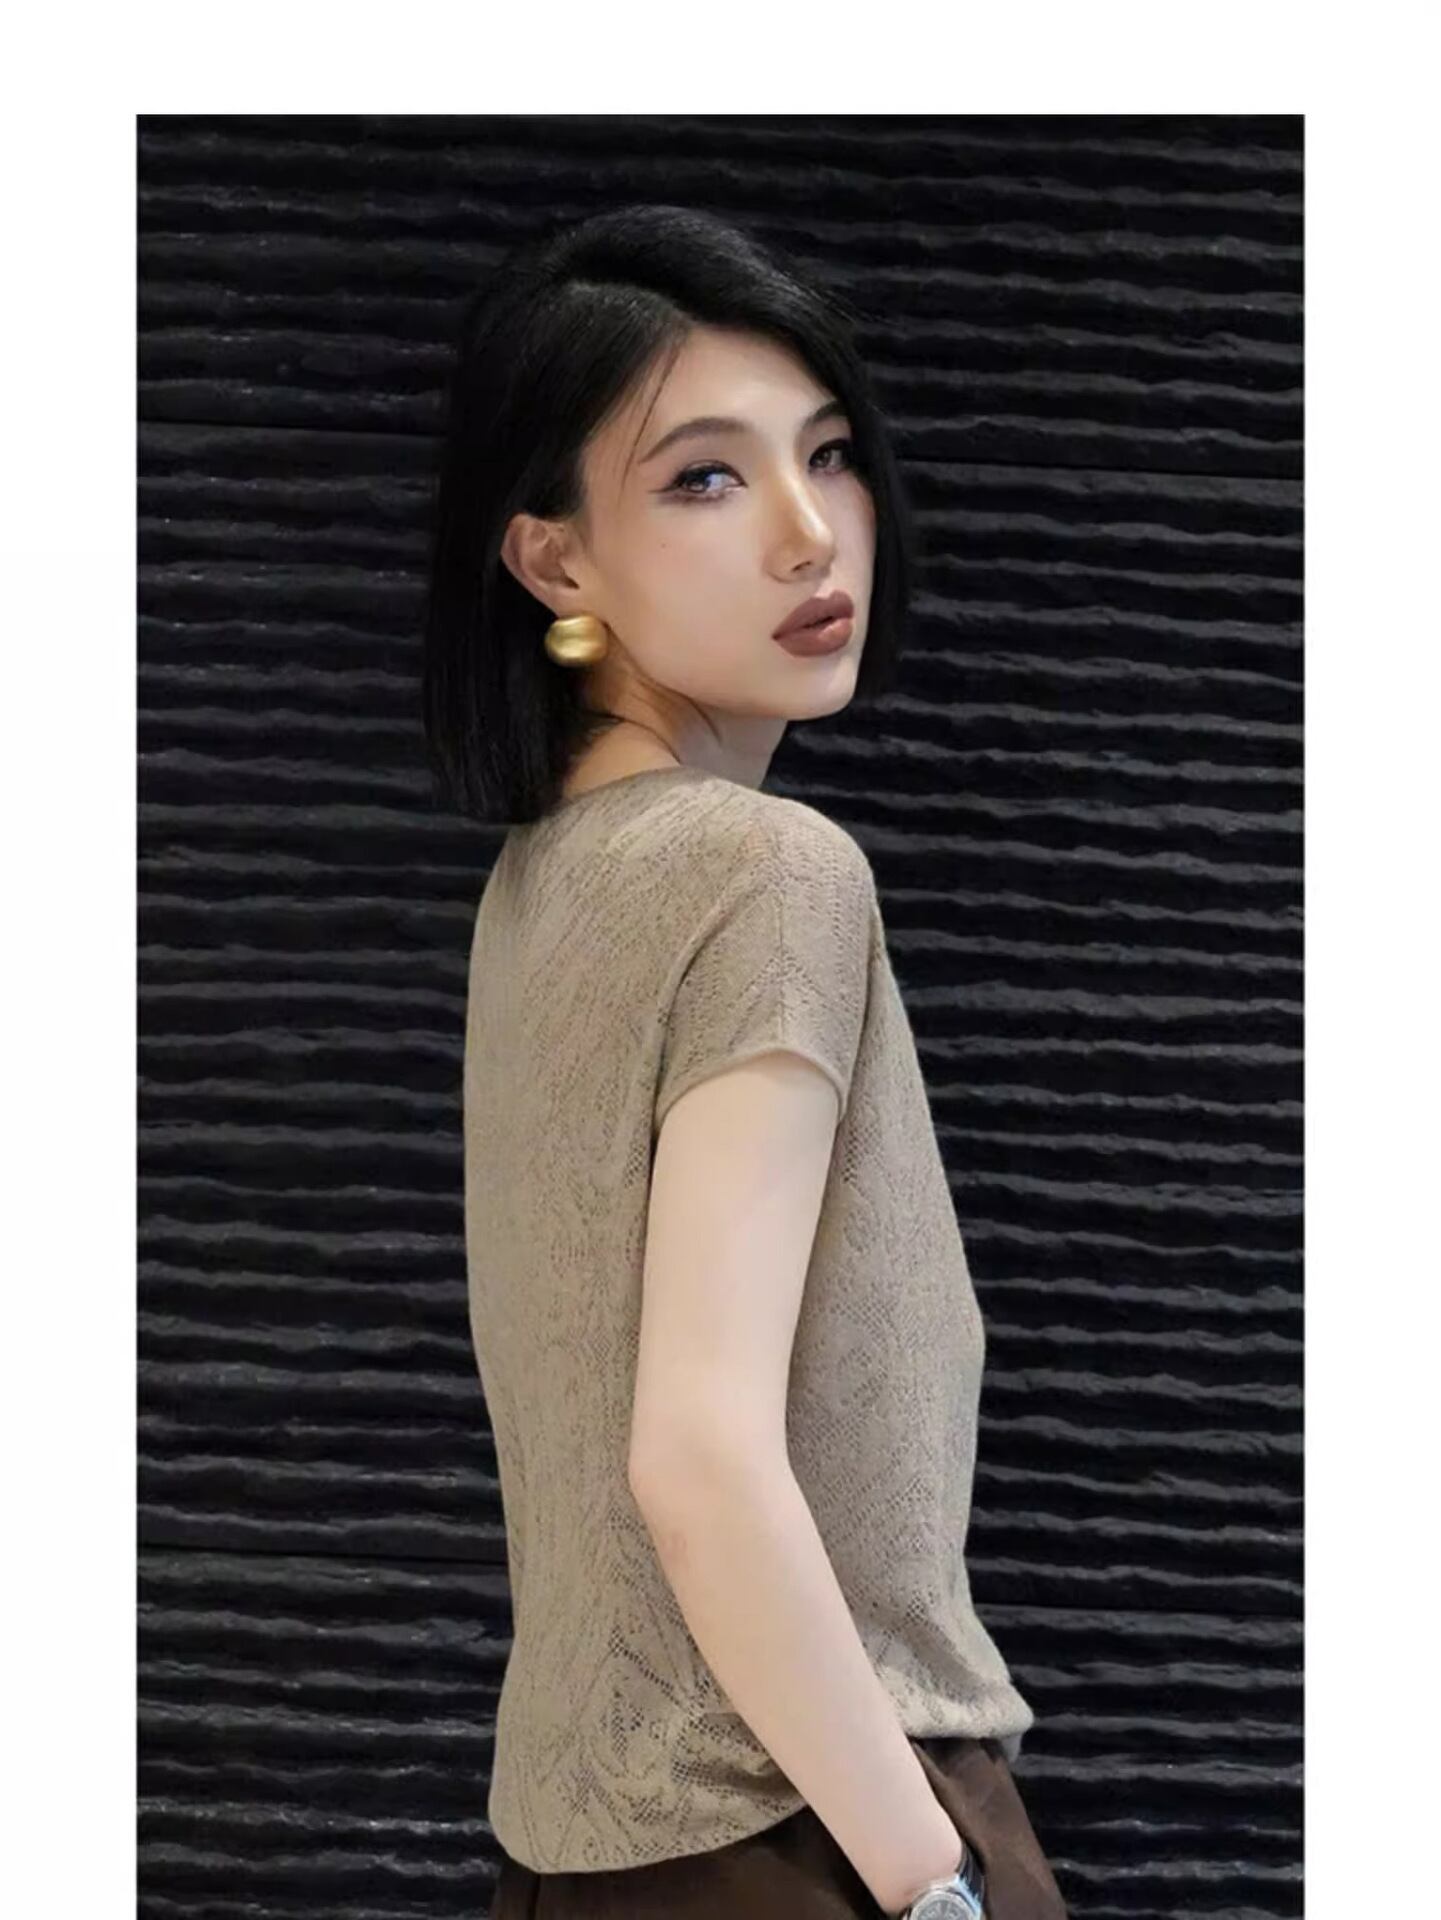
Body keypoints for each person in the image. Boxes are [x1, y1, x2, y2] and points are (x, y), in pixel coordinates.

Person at [422, 204, 1069, 1919]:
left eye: (827, 453)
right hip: (800, 1826)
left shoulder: (541, 885)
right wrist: (931, 1884)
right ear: (555, 563)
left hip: (578, 1853)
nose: (807, 532)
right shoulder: (762, 869)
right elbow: (696, 1457)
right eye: (704, 477)